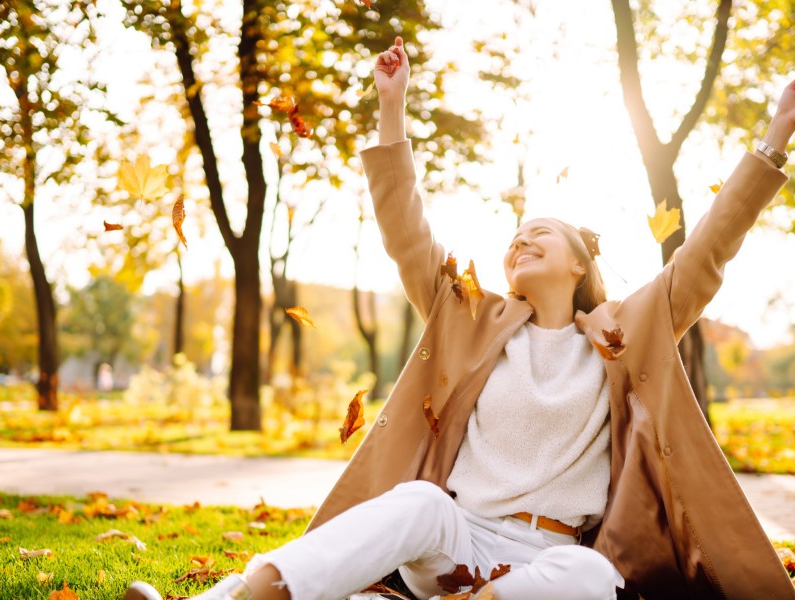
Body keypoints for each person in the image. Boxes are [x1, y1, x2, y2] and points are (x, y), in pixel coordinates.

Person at [126, 37, 795, 600]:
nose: (521, 240)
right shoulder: (470, 315)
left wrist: (776, 136)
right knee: (420, 504)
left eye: (541, 233)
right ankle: (249, 596)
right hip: (455, 538)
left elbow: (708, 250)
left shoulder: (629, 329)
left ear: (578, 264)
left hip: (547, 558)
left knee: (592, 574)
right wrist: (393, 108)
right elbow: (407, 233)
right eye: (515, 235)